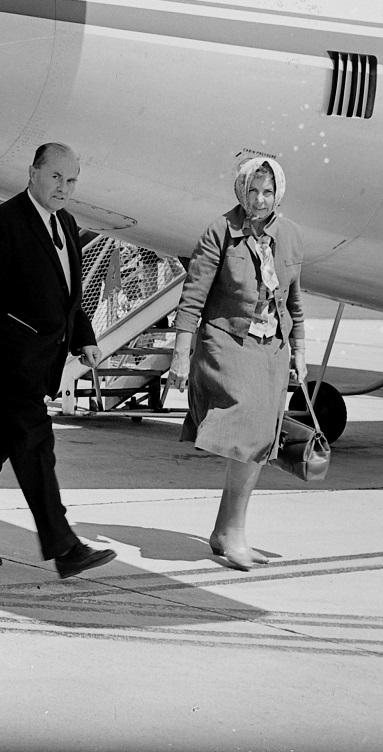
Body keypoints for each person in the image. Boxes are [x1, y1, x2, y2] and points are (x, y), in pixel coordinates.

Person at [0, 143, 116, 580]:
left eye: (71, 181)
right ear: (33, 173)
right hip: (10, 364)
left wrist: (83, 339)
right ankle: (63, 545)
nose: (63, 187)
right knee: (37, 445)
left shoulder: (66, 223)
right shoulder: (2, 224)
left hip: (42, 362)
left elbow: (68, 295)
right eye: (56, 177)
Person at [166, 155, 306, 571]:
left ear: (277, 192)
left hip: (272, 347)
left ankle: (225, 531)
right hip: (228, 340)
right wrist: (180, 351)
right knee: (246, 431)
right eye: (252, 191)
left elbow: (294, 299)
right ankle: (235, 533)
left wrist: (299, 349)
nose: (259, 200)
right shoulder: (220, 232)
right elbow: (193, 297)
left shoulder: (292, 236)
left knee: (260, 439)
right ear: (240, 191)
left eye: (267, 192)